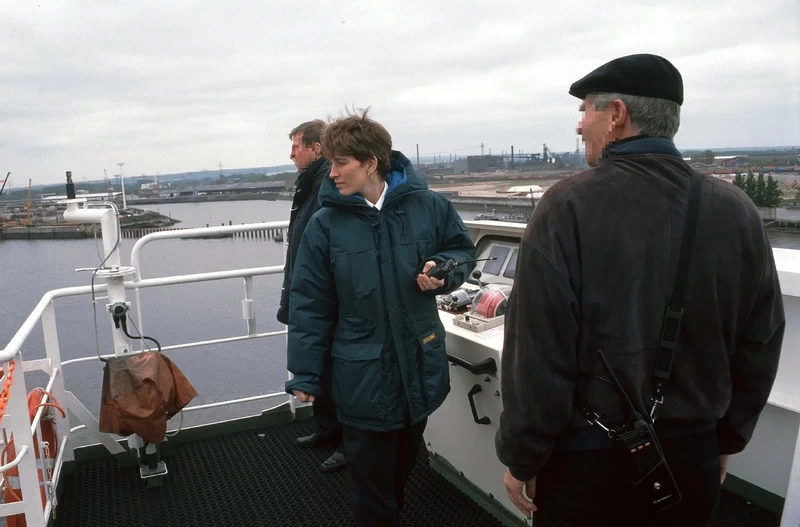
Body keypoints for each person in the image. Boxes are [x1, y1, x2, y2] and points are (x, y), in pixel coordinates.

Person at [495, 54, 785, 526]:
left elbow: (538, 355)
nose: (579, 125)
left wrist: (523, 458)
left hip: (587, 465)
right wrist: (724, 440)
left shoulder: (567, 206)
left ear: (617, 115)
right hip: (692, 458)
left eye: (585, 110)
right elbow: (761, 340)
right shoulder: (737, 210)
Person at [285, 108, 476, 526]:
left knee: (402, 468)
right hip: (361, 374)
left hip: (418, 366)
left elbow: (462, 251)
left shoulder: (429, 207)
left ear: (371, 163)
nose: (331, 172)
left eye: (340, 162)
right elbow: (310, 305)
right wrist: (305, 374)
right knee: (371, 486)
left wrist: (443, 270)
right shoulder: (325, 225)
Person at [277, 119, 345, 473]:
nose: (291, 154)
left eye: (296, 146)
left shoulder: (325, 186)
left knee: (338, 369)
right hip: (310, 288)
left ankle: (348, 442)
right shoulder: (313, 184)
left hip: (326, 295)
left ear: (317, 149)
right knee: (324, 366)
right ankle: (328, 430)